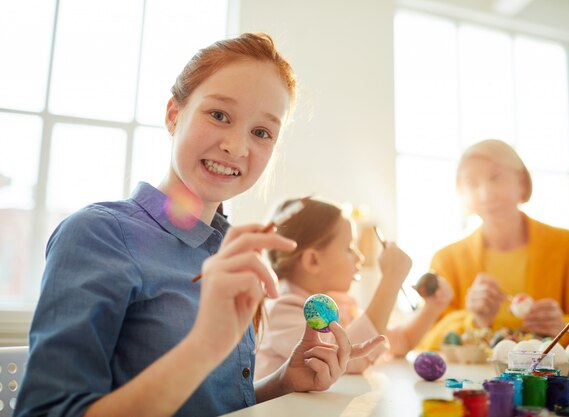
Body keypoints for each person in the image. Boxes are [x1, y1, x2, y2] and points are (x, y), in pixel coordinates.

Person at [15, 33, 385, 417]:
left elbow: (207, 404)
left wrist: (283, 382)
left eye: (261, 133)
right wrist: (204, 345)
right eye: (219, 115)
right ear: (174, 114)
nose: (237, 147)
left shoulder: (230, 250)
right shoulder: (97, 234)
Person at [419, 139, 569, 350]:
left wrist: (567, 330)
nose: (485, 194)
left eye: (495, 178)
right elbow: (424, 343)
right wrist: (473, 322)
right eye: (471, 183)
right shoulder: (447, 260)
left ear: (522, 182)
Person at [255, 197, 452, 379]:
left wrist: (432, 308)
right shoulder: (281, 312)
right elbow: (345, 359)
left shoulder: (339, 304)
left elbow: (398, 343)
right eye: (349, 248)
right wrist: (390, 280)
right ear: (313, 260)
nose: (360, 257)